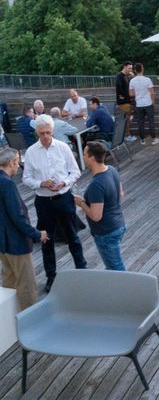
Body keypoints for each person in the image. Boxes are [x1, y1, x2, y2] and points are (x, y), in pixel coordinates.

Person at [23, 115, 87, 292]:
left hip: (63, 198)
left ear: (53, 131)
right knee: (46, 240)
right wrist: (41, 183)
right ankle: (51, 276)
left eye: (48, 132)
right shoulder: (30, 152)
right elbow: (26, 178)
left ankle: (82, 270)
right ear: (37, 132)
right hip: (43, 202)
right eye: (42, 133)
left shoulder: (63, 147)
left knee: (72, 236)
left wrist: (64, 183)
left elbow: (75, 172)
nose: (45, 136)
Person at [0, 148, 47, 311]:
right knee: (26, 285)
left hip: (2, 243)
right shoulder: (7, 183)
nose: (18, 166)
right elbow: (18, 216)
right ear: (12, 162)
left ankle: (10, 323)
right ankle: (30, 324)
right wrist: (36, 235)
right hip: (16, 243)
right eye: (17, 162)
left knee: (9, 283)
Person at [74, 142, 126, 271]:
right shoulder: (112, 170)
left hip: (106, 232)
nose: (83, 157)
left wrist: (81, 202)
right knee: (113, 265)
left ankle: (125, 290)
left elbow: (96, 216)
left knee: (116, 268)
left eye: (85, 154)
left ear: (92, 158)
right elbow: (121, 195)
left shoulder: (96, 184)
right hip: (118, 224)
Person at [129, 62, 158, 144]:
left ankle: (142, 140)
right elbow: (152, 93)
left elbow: (131, 94)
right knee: (151, 122)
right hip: (148, 103)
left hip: (139, 104)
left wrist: (138, 93)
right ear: (142, 69)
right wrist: (153, 102)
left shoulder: (132, 81)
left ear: (135, 70)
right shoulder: (147, 80)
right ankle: (154, 139)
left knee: (140, 123)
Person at [114, 61, 135, 137]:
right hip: (123, 101)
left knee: (129, 117)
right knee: (128, 118)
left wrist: (132, 77)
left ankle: (128, 134)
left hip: (127, 100)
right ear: (125, 67)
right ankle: (127, 135)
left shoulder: (128, 76)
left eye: (131, 68)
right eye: (129, 68)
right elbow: (120, 89)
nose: (130, 70)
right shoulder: (119, 76)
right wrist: (127, 96)